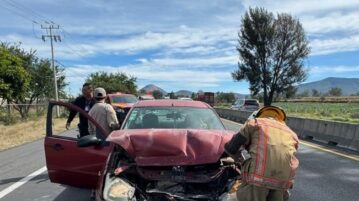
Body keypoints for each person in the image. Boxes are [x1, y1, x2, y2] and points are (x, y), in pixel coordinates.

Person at [224, 106, 299, 201]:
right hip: (283, 182)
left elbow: (230, 148)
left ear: (260, 115)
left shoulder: (254, 123)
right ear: (281, 119)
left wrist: (238, 160)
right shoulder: (292, 134)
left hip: (258, 179)